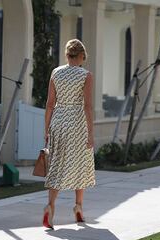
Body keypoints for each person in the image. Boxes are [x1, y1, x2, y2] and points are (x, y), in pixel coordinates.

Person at [42, 39, 96, 229]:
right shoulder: (86, 75)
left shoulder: (56, 73)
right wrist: (91, 133)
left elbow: (49, 104)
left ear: (67, 55)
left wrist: (46, 130)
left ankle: (50, 206)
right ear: (82, 56)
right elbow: (88, 106)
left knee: (57, 164)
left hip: (58, 121)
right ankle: (78, 206)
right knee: (80, 164)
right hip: (77, 123)